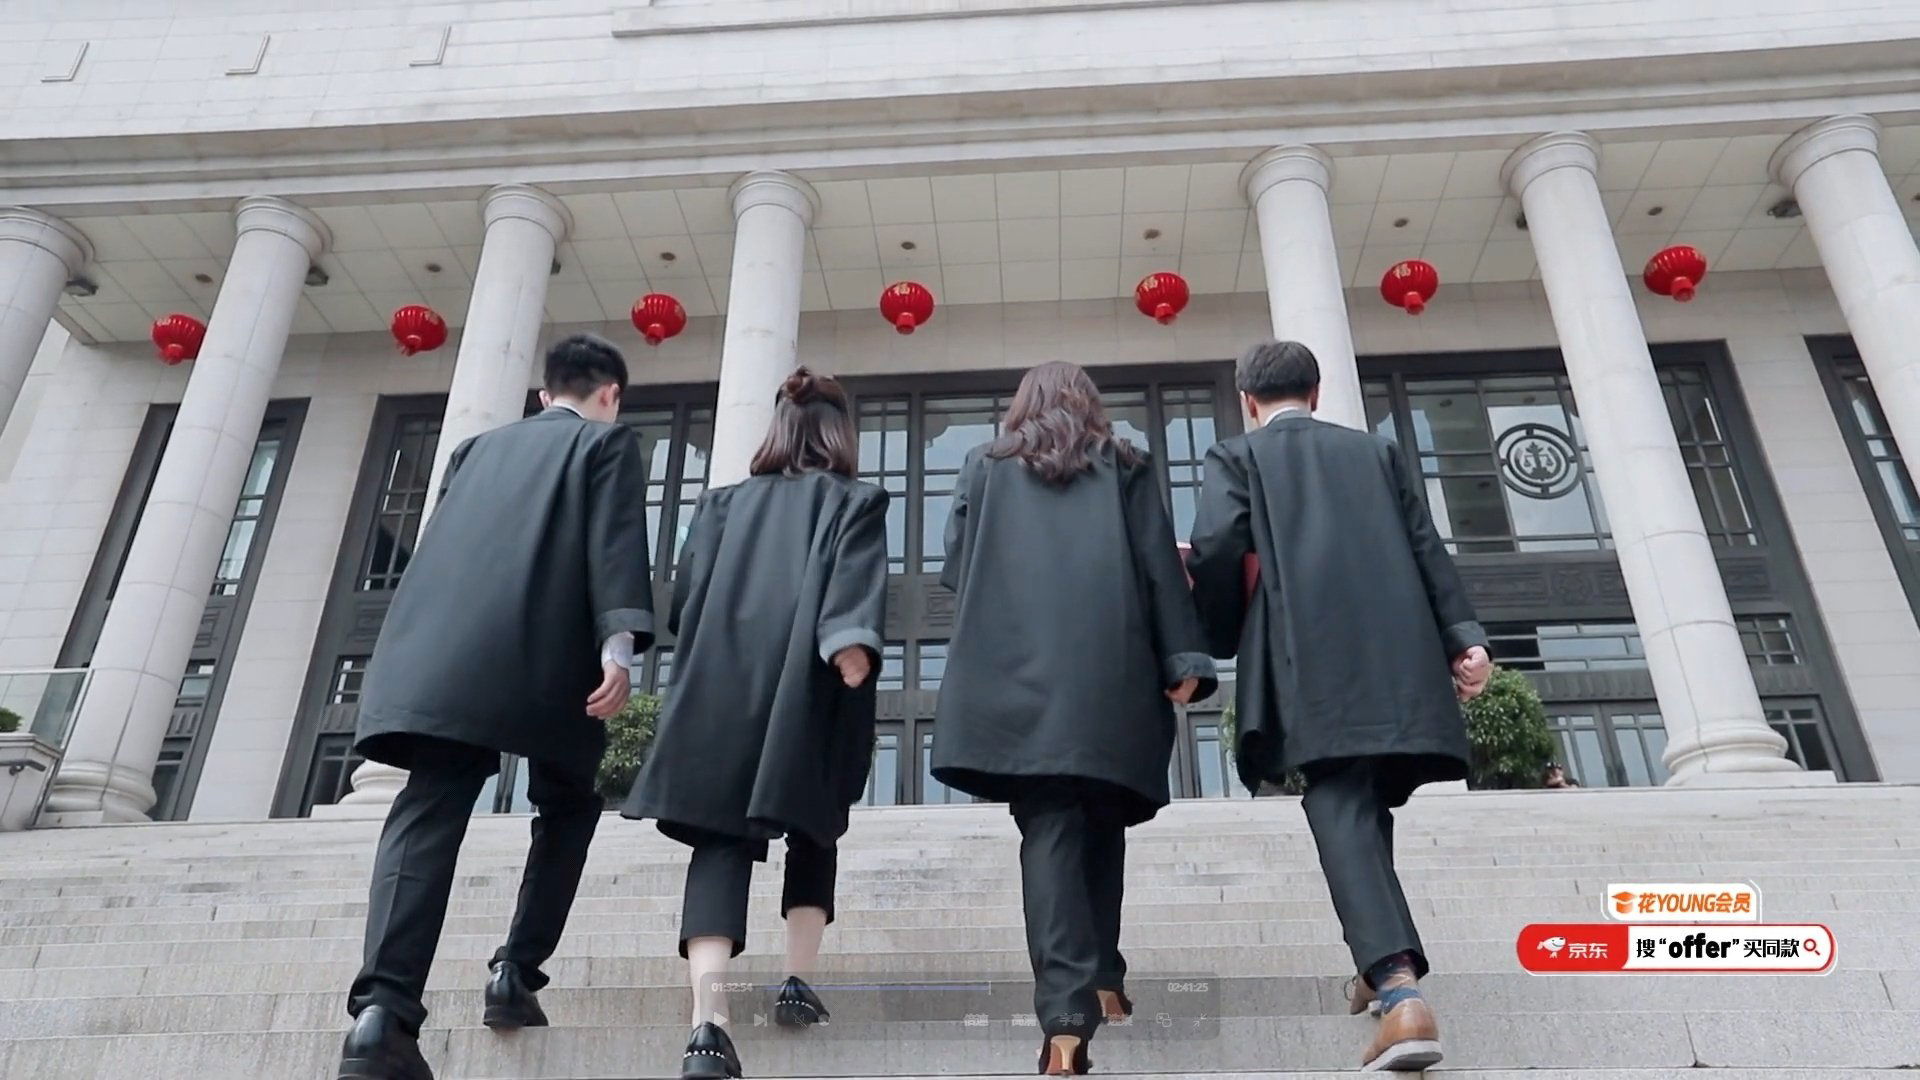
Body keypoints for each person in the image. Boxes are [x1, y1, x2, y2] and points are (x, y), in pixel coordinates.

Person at [337, 334, 656, 1080]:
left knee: (428, 806)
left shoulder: (473, 450)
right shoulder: (606, 445)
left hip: (448, 654)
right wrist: (618, 651)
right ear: (609, 395)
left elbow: (444, 549)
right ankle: (515, 973)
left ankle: (381, 1014)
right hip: (551, 660)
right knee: (568, 806)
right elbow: (614, 544)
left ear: (545, 396)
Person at [1185, 340, 1492, 1074]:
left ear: (1248, 402)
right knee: (1362, 798)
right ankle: (1377, 965)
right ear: (1316, 393)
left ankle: (1397, 986)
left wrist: (1219, 634)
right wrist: (1464, 638)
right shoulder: (1375, 451)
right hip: (1396, 648)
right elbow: (1426, 546)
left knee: (1337, 797)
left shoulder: (1237, 456)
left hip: (1308, 653)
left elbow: (1218, 546)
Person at [932, 361, 1217, 1077]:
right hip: (1111, 672)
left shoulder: (983, 466)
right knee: (1102, 817)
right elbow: (1157, 565)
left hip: (1018, 676)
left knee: (1050, 828)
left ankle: (1065, 1019)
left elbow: (957, 568)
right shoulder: (1125, 463)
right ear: (1091, 406)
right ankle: (1104, 978)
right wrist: (1185, 659)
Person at [622, 368, 889, 1080]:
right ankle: (797, 982)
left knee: (719, 841)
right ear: (839, 432)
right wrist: (850, 645)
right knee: (815, 826)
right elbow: (853, 589)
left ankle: (708, 1026)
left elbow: (686, 603)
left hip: (720, 687)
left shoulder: (719, 506)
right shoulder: (855, 501)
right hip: (809, 685)